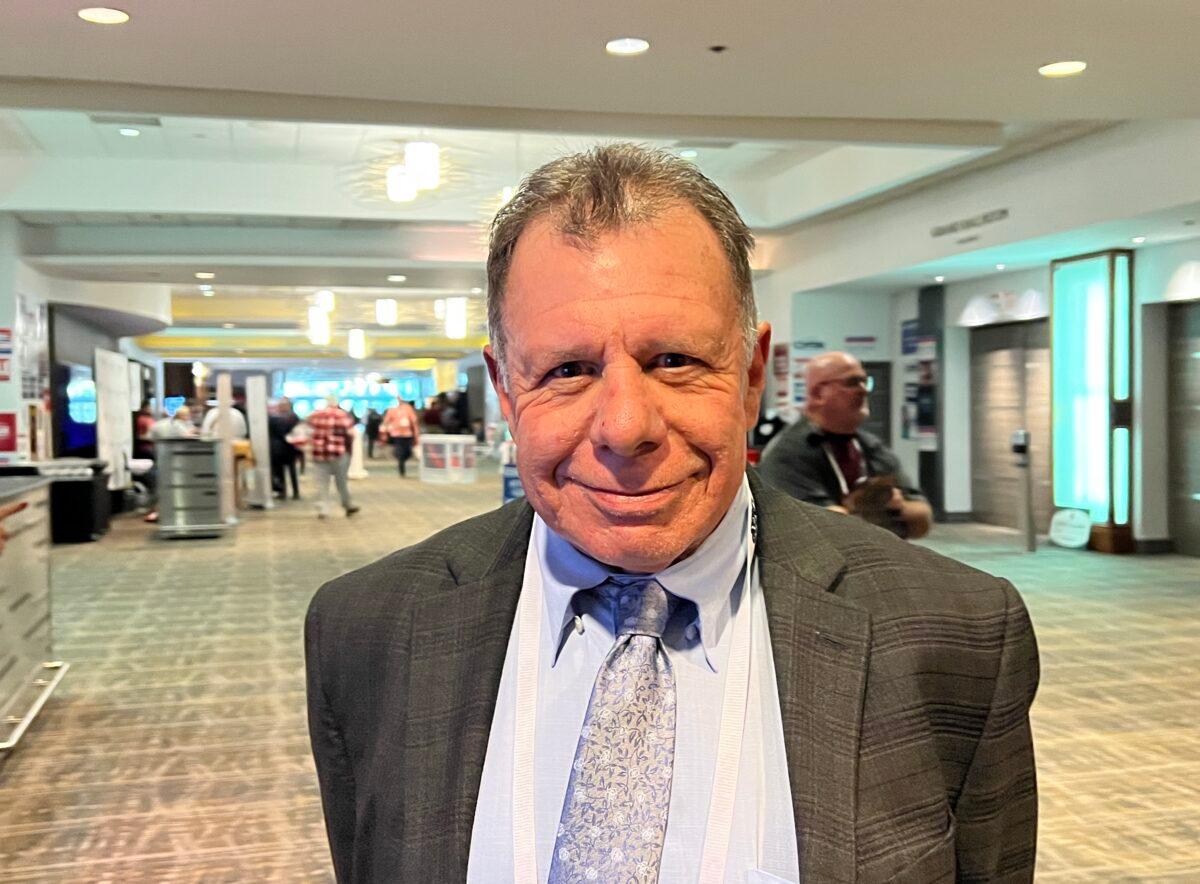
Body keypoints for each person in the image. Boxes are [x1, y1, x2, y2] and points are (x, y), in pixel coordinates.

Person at [305, 144, 1039, 883]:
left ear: (752, 378)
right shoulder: (368, 630)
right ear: (505, 389)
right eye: (567, 370)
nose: (626, 428)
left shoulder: (958, 636)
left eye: (675, 361)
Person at [758, 352, 934, 539]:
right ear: (818, 394)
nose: (864, 390)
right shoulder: (787, 453)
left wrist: (869, 510)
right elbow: (820, 529)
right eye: (852, 383)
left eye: (865, 382)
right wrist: (883, 510)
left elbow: (922, 519)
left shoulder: (870, 446)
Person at [307, 395, 359, 519]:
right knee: (341, 482)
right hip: (338, 453)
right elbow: (351, 434)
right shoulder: (342, 415)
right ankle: (347, 505)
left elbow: (305, 433)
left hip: (319, 454)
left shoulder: (314, 415)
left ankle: (324, 509)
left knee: (322, 483)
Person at [378, 398, 420, 477]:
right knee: (400, 450)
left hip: (407, 434)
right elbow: (386, 421)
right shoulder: (392, 409)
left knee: (408, 452)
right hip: (397, 434)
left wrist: (416, 433)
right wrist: (384, 431)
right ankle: (401, 466)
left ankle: (401, 459)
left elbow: (414, 421)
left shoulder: (408, 408)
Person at [268, 399, 301, 500]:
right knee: (281, 471)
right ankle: (284, 491)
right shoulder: (293, 417)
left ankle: (290, 492)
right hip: (284, 448)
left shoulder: (277, 418)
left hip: (285, 448)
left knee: (290, 471)